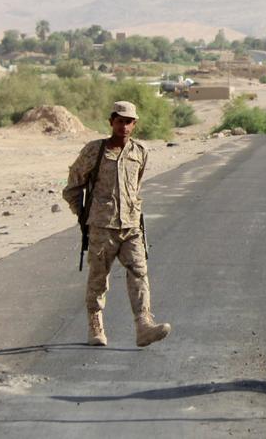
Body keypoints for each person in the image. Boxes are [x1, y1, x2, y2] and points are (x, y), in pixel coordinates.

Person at [62, 101, 171, 347]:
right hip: (102, 227)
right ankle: (95, 325)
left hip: (131, 226)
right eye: (119, 121)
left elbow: (136, 187)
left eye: (128, 122)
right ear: (111, 122)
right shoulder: (94, 151)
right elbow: (72, 188)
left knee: (139, 273)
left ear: (135, 124)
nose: (124, 126)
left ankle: (143, 325)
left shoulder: (140, 152)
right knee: (99, 278)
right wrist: (84, 217)